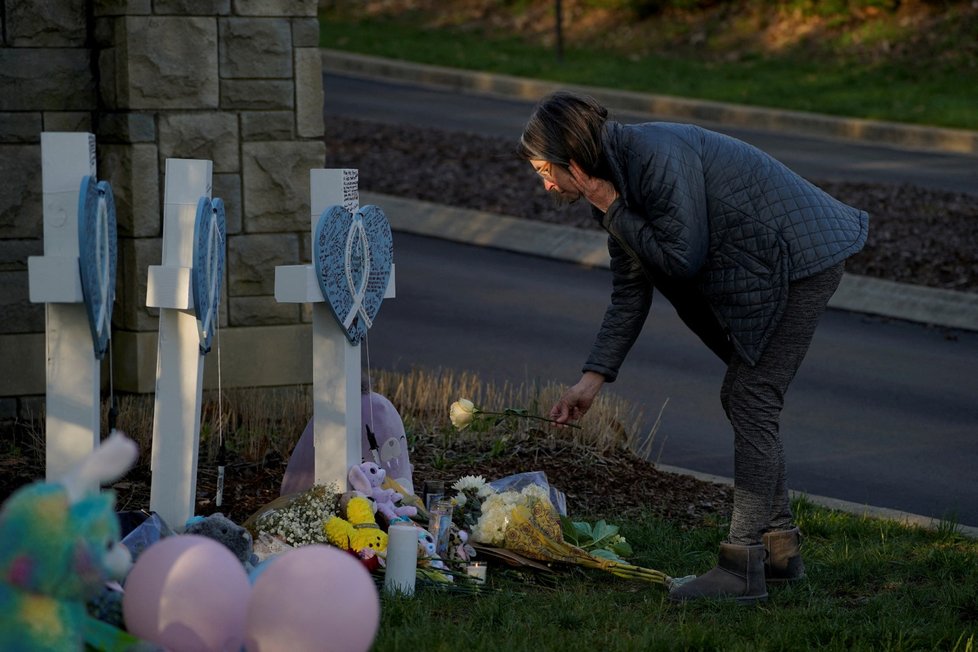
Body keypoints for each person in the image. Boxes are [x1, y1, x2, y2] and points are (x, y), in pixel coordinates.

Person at [517, 91, 869, 603]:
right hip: (774, 264)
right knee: (748, 399)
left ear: (573, 162)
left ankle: (743, 564)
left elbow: (682, 258)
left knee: (752, 399)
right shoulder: (612, 184)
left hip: (800, 260)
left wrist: (613, 208)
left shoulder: (653, 159)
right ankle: (778, 552)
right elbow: (632, 287)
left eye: (545, 169)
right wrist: (593, 378)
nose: (543, 182)